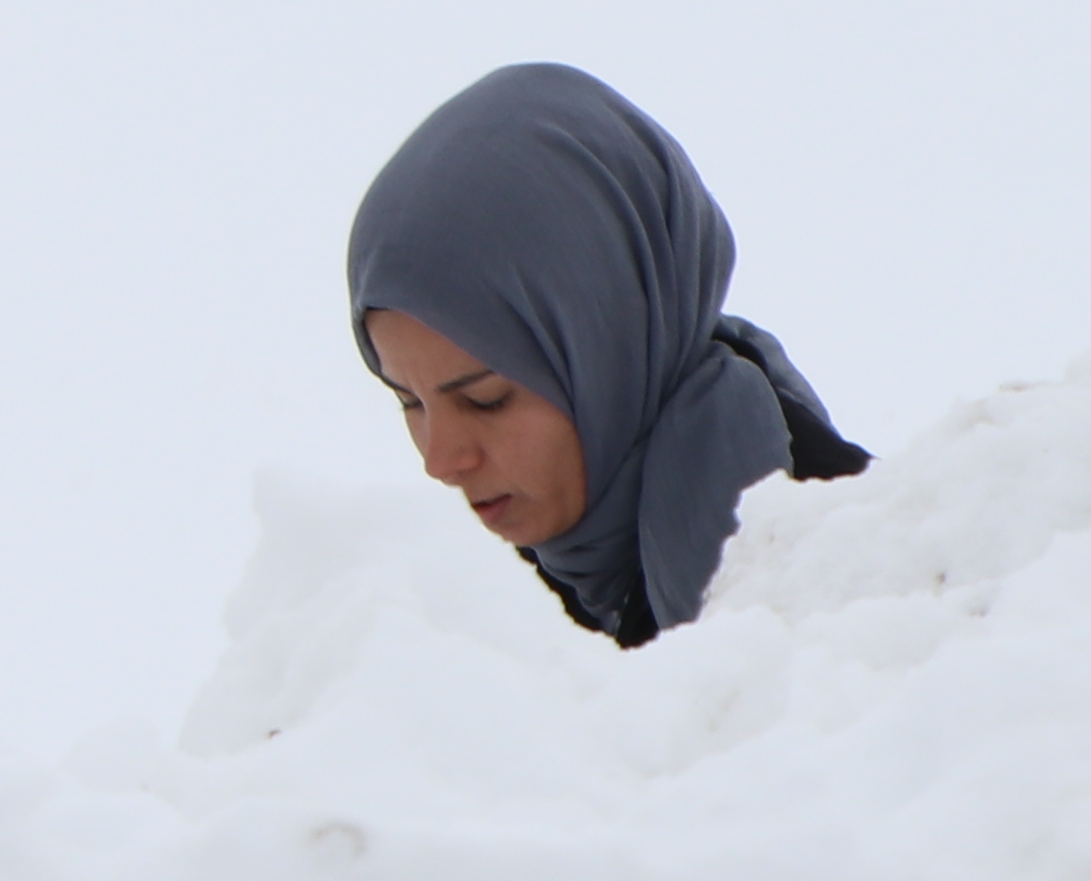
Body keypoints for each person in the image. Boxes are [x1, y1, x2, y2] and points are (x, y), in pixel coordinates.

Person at [345, 62, 866, 647]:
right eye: (409, 403)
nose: (441, 461)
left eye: (485, 400)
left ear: (609, 344)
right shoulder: (485, 635)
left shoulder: (882, 603)